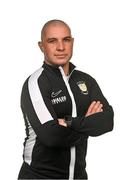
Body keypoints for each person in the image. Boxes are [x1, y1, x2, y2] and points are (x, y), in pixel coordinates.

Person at [18, 19, 114, 180]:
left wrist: (69, 122)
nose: (61, 47)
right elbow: (51, 136)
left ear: (72, 42)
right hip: (39, 176)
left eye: (66, 40)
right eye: (52, 41)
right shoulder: (36, 83)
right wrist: (88, 125)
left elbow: (107, 122)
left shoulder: (86, 81)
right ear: (41, 46)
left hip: (79, 176)